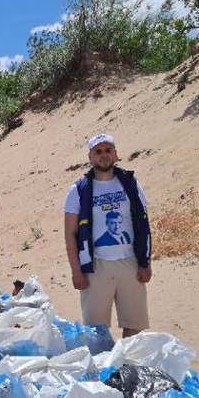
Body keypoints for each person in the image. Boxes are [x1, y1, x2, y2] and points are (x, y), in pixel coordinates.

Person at [63, 134, 153, 338]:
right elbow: (70, 234)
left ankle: (128, 368)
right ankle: (106, 369)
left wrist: (146, 263)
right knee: (96, 331)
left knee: (134, 325)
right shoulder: (78, 191)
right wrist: (76, 271)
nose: (104, 155)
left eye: (108, 150)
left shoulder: (131, 184)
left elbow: (143, 224)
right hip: (95, 267)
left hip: (130, 263)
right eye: (98, 152)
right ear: (90, 157)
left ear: (115, 154)